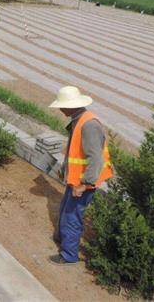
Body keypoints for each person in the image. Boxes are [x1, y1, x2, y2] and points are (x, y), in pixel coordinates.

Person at [48, 86, 113, 265]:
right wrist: (65, 169)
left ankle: (69, 255)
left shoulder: (89, 125)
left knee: (72, 216)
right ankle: (62, 238)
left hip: (84, 183)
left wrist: (84, 184)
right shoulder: (78, 119)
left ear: (71, 106)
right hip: (75, 179)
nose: (60, 109)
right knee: (65, 210)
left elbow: (96, 159)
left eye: (62, 106)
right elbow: (75, 151)